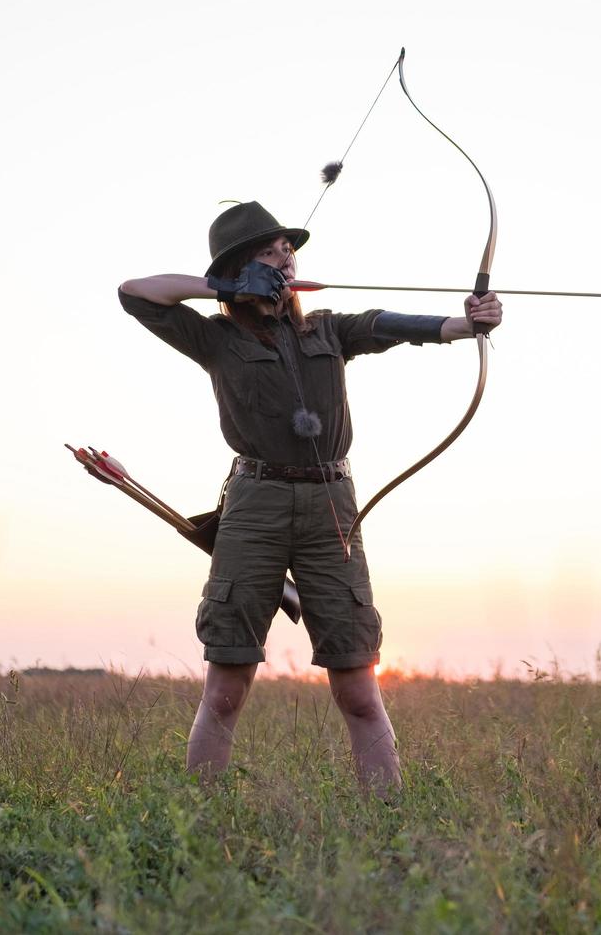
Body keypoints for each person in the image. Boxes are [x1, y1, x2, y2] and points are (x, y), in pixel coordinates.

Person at [117, 201, 503, 792]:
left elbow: (394, 325)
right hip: (254, 505)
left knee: (358, 686)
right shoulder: (214, 337)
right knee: (226, 686)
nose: (285, 258)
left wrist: (469, 323)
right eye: (269, 253)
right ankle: (199, 823)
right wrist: (221, 286)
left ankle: (388, 822)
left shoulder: (327, 329)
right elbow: (135, 292)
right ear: (239, 267)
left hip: (332, 510)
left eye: (288, 250)